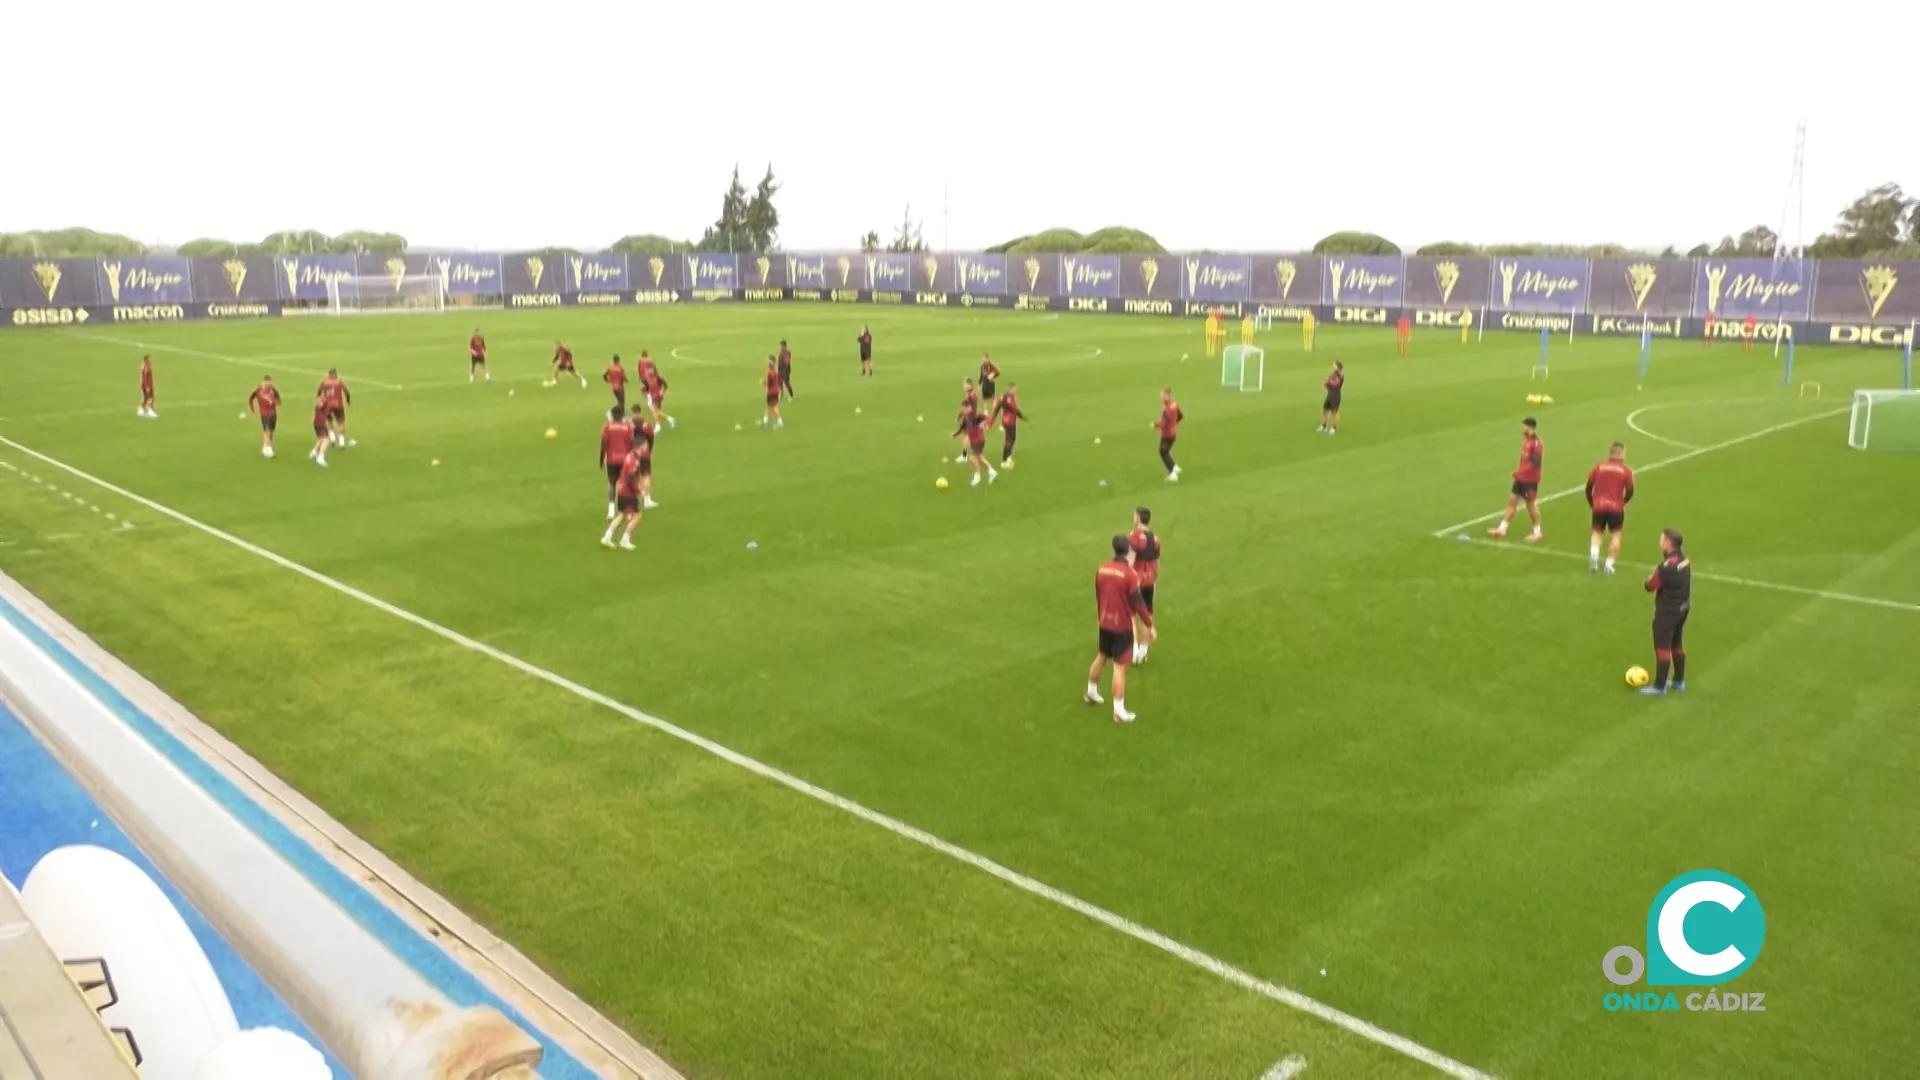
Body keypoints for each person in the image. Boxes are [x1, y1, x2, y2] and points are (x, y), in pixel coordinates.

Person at [1086, 536, 1153, 724]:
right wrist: (1148, 624)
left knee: (1102, 655)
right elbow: (1138, 602)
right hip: (1122, 626)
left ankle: (1091, 691)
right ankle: (1118, 711)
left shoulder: (1102, 569)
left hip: (1105, 622)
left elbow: (1099, 595)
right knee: (1120, 668)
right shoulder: (1130, 574)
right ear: (1128, 552)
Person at [1640, 527, 1692, 696]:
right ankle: (1679, 680)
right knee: (1676, 643)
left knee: (1662, 646)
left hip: (1667, 611)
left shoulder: (1665, 567)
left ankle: (1659, 686)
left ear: (1669, 544)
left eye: (1662, 539)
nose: (1659, 542)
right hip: (1683, 608)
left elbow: (1650, 586)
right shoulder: (1685, 560)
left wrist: (1648, 579)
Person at [1487, 417, 1544, 542]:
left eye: (1524, 426)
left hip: (1530, 480)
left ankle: (1537, 532)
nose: (1522, 429)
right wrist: (1520, 473)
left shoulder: (1536, 443)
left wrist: (1520, 472)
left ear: (1530, 427)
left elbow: (1535, 462)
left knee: (1531, 506)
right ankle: (1502, 529)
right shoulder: (1527, 441)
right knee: (1512, 502)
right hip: (1520, 479)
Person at [1585, 442, 1635, 574]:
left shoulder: (1598, 467)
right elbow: (1630, 490)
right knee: (1616, 536)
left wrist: (1592, 503)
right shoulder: (1625, 470)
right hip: (1616, 507)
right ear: (1621, 453)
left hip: (1599, 506)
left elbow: (1589, 487)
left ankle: (1594, 556)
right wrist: (1623, 502)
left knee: (1597, 533)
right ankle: (1609, 564)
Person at [1127, 507, 1161, 664]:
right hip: (1149, 582)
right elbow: (1157, 562)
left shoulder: (1133, 537)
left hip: (1136, 582)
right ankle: (1143, 651)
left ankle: (1133, 651)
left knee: (1131, 616)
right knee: (1147, 615)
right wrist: (1154, 579)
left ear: (1138, 518)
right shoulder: (1155, 538)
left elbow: (1130, 561)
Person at [601, 448, 644, 550]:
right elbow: (630, 479)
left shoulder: (629, 456)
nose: (645, 450)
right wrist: (638, 490)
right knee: (637, 516)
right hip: (628, 493)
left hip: (621, 491)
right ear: (639, 447)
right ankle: (625, 540)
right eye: (644, 447)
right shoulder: (634, 461)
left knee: (622, 515)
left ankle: (607, 537)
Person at [598, 405, 636, 520]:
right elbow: (632, 443)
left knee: (612, 483)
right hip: (625, 460)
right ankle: (629, 511)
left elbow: (604, 444)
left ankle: (611, 511)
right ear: (621, 415)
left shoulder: (607, 427)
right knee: (627, 484)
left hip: (612, 460)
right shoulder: (628, 427)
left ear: (613, 416)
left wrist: (601, 459)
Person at [953, 402, 997, 487]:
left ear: (968, 408)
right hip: (973, 440)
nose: (962, 410)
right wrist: (955, 435)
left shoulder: (975, 415)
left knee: (972, 458)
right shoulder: (966, 417)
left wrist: (983, 424)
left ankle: (977, 476)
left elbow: (988, 418)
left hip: (978, 439)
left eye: (963, 408)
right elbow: (962, 428)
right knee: (980, 458)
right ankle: (991, 471)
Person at [638, 351, 674, 430]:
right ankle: (659, 424)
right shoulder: (650, 376)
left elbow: (665, 385)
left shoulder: (656, 377)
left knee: (655, 410)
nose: (649, 371)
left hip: (656, 395)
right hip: (653, 395)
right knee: (656, 409)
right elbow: (645, 386)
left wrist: (663, 393)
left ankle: (667, 420)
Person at [246, 375, 280, 458]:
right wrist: (251, 408)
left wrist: (278, 406)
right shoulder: (258, 390)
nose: (269, 384)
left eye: (270, 382)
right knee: (267, 431)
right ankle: (269, 449)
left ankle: (265, 447)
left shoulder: (273, 390)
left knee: (271, 432)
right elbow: (250, 398)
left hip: (273, 414)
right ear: (263, 382)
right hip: (264, 414)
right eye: (267, 382)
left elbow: (278, 397)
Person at [994, 382, 1026, 467]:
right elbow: (1015, 410)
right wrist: (1022, 417)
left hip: (1007, 421)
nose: (1015, 390)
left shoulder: (1005, 397)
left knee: (1012, 439)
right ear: (1010, 389)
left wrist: (994, 417)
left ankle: (1008, 457)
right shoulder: (1010, 399)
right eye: (1014, 389)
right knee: (1009, 441)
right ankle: (1004, 461)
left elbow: (997, 407)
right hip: (1010, 422)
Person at [318, 369, 352, 448]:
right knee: (341, 422)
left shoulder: (324, 382)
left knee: (329, 421)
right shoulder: (339, 381)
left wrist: (320, 399)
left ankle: (332, 438)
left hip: (327, 405)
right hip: (338, 405)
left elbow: (319, 391)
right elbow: (346, 391)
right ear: (336, 374)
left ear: (329, 375)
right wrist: (348, 400)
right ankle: (341, 442)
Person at [632, 413, 660, 509]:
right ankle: (647, 499)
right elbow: (651, 439)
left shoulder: (629, 427)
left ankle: (633, 499)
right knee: (646, 475)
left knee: (633, 476)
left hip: (633, 455)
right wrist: (650, 450)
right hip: (644, 454)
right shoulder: (647, 427)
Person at [1156, 388, 1183, 482]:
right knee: (1165, 451)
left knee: (1163, 452)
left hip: (1167, 435)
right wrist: (1174, 424)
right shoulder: (1174, 405)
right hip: (1173, 433)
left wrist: (1156, 425)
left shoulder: (1167, 409)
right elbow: (1180, 416)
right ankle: (1175, 467)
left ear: (1167, 396)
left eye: (1162, 395)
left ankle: (1173, 474)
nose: (1161, 397)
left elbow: (1165, 423)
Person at [1319, 361, 1344, 434]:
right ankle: (1324, 426)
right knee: (1325, 410)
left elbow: (1335, 384)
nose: (1333, 366)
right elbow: (1326, 384)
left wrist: (1328, 382)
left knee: (1334, 412)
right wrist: (1327, 383)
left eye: (1334, 365)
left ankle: (1334, 428)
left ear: (1338, 367)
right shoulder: (1333, 374)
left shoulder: (1340, 375)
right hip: (1329, 394)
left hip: (1335, 395)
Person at [758, 357, 784, 428]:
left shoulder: (770, 372)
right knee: (768, 406)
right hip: (776, 391)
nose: (768, 362)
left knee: (773, 407)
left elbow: (769, 383)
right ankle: (765, 421)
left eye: (770, 361)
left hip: (772, 392)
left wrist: (762, 383)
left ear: (773, 362)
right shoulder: (775, 371)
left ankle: (780, 422)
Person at [307, 392, 332, 467]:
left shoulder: (323, 399)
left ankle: (313, 453)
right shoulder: (323, 399)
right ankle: (320, 458)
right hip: (321, 421)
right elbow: (318, 406)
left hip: (317, 421)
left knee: (321, 438)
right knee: (326, 439)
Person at [603, 354, 628, 419]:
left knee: (618, 401)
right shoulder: (620, 368)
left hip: (613, 387)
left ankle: (614, 413)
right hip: (620, 387)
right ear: (619, 360)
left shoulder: (610, 367)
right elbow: (623, 377)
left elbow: (604, 375)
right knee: (621, 402)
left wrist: (607, 381)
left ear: (613, 360)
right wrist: (626, 380)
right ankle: (622, 416)